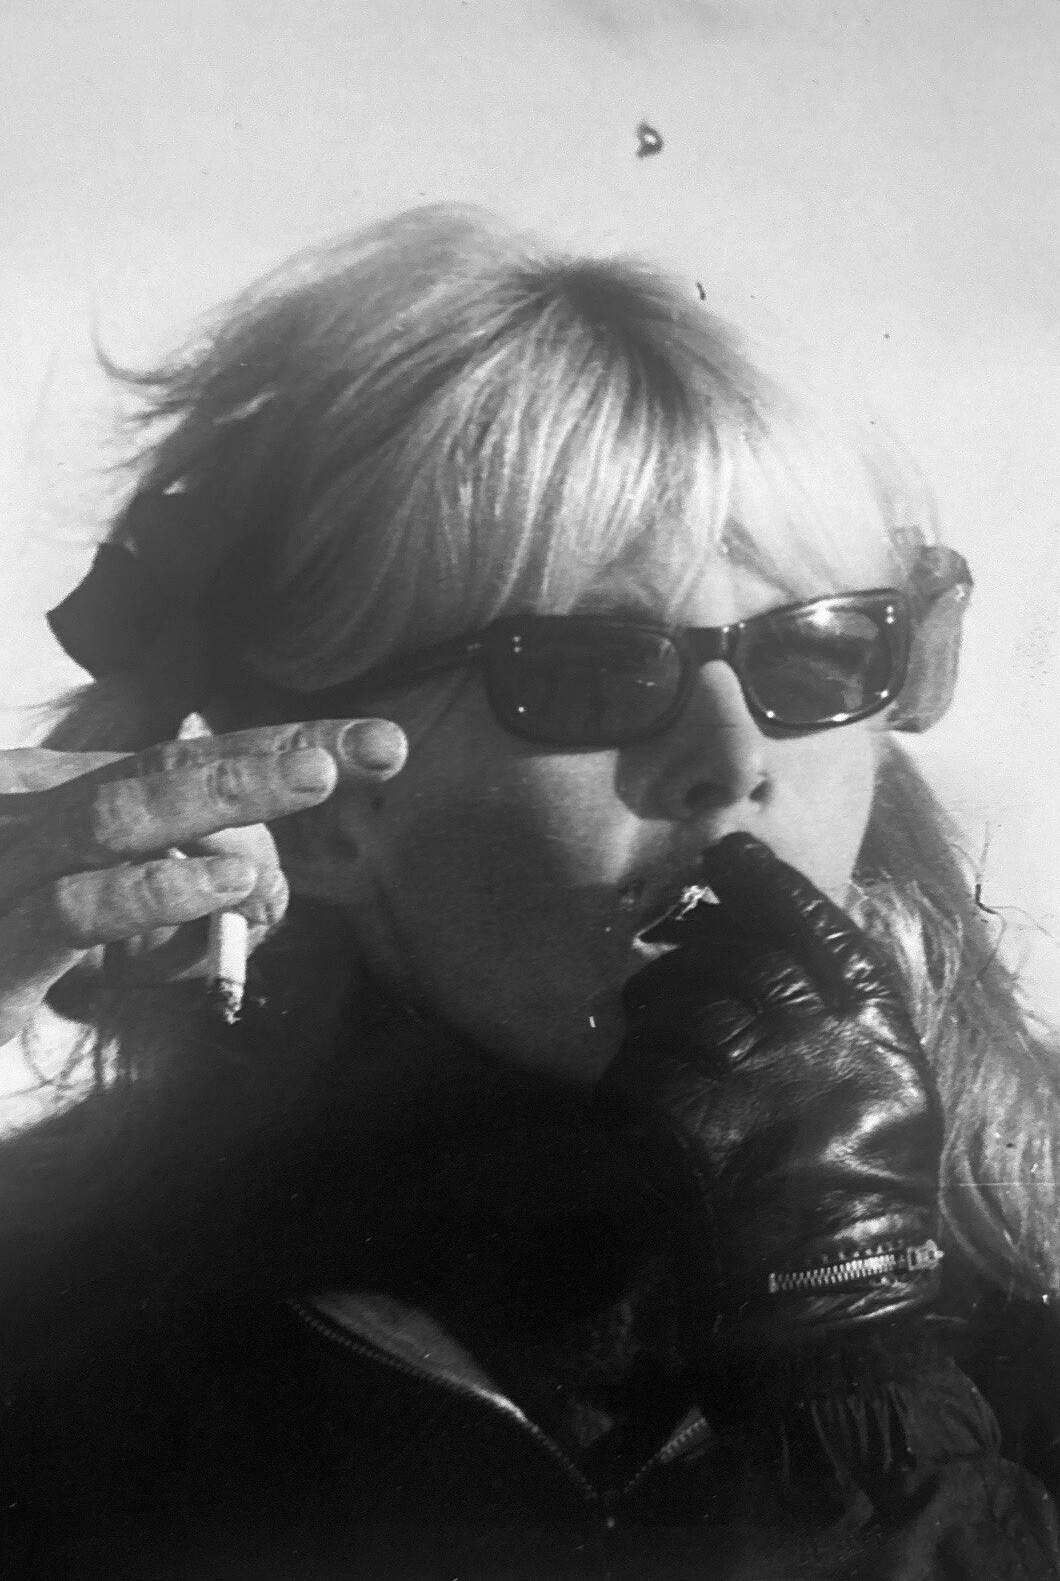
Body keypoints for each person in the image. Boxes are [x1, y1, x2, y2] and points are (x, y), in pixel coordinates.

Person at [2, 204, 1059, 1580]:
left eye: (814, 657)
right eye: (591, 675)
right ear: (321, 806)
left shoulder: (1030, 1273)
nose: (735, 759)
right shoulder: (65, 1328)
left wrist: (856, 1368)